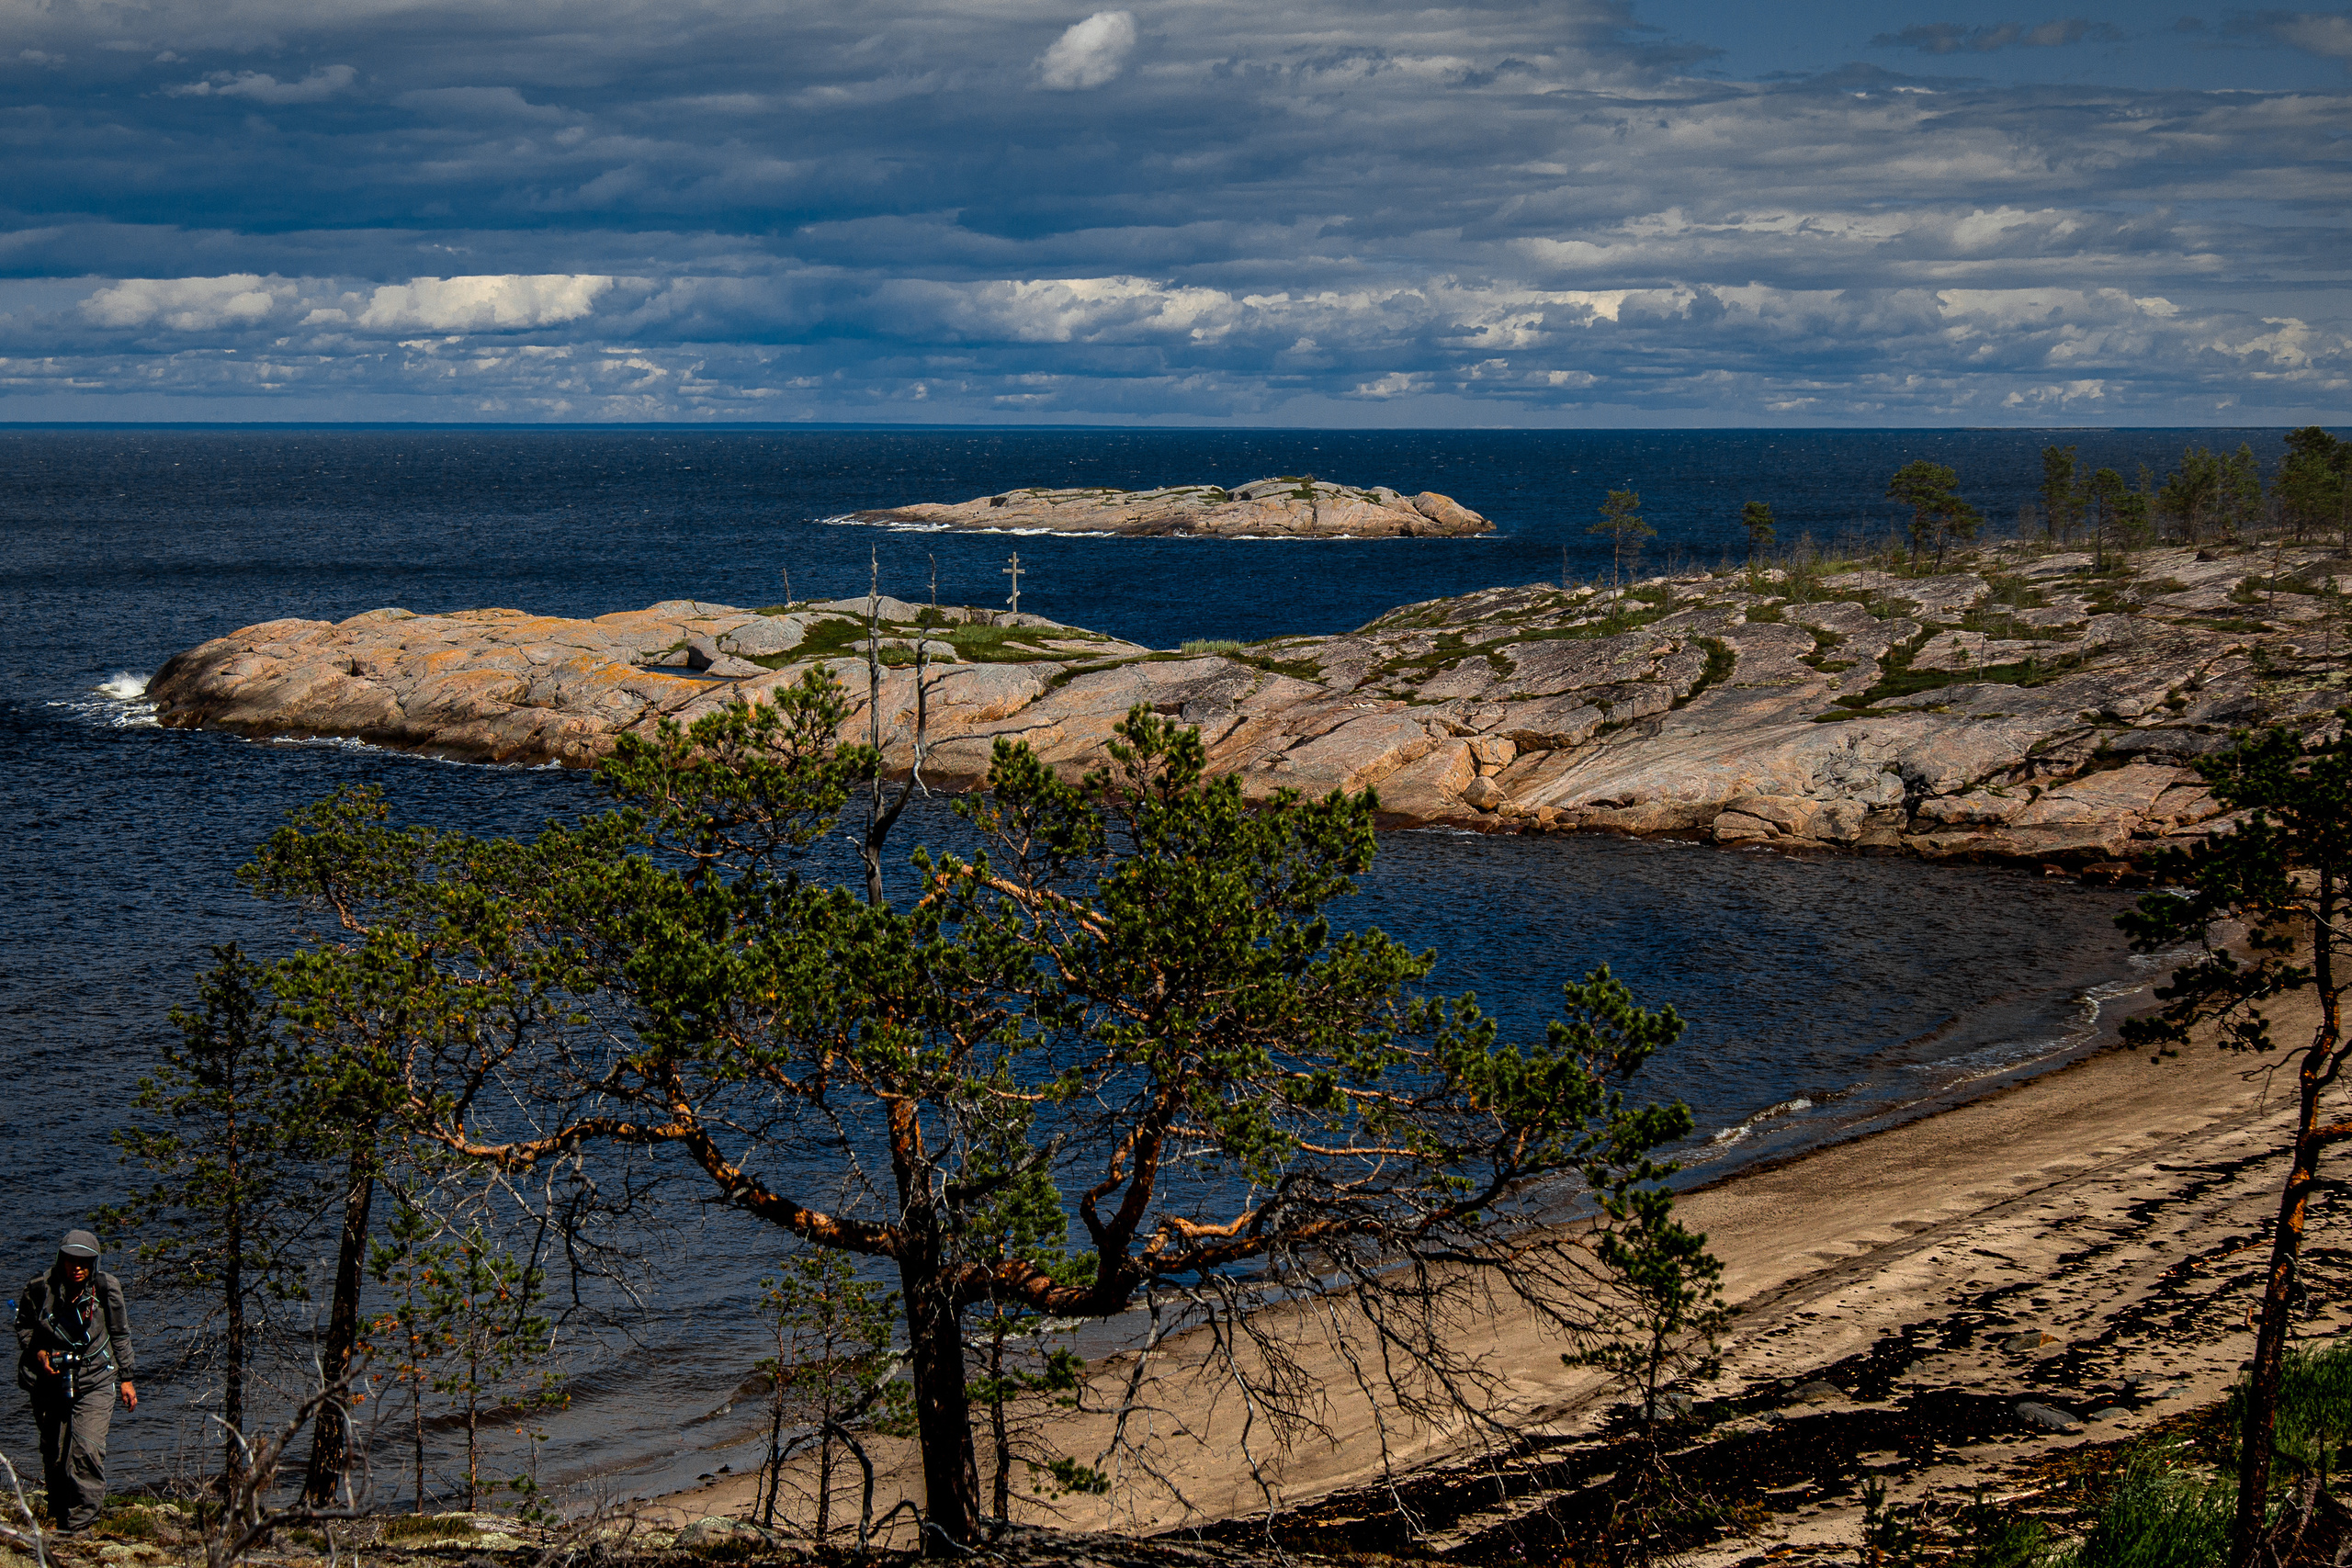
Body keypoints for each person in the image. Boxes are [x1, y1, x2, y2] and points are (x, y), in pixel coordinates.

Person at [15, 1230, 136, 1535]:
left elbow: (120, 1334)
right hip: (50, 1381)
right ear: (62, 1260)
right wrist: (40, 1353)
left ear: (93, 1263)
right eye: (71, 1260)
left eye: (84, 1261)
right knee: (55, 1454)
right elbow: (24, 1325)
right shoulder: (41, 1288)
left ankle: (82, 1525)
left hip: (97, 1378)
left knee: (87, 1450)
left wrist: (127, 1378)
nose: (77, 1267)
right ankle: (59, 1517)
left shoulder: (107, 1289)